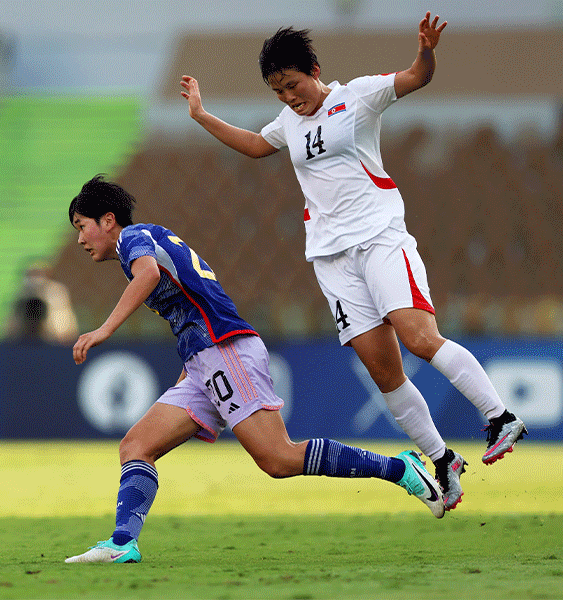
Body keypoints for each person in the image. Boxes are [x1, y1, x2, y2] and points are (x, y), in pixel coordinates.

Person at [179, 12, 526, 512]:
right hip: (331, 259)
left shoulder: (358, 96)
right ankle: (441, 460)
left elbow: (417, 77)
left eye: (293, 85)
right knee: (385, 375)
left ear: (315, 70)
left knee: (419, 338)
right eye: (278, 91)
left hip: (380, 238)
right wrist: (202, 115)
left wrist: (426, 50)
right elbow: (257, 146)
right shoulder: (288, 123)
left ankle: (499, 416)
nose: (288, 97)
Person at [63, 175, 445, 565]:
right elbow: (191, 302)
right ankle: (123, 542)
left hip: (226, 351)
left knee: (278, 459)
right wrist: (191, 369)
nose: (80, 239)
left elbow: (150, 276)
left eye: (82, 226)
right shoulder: (151, 240)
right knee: (136, 446)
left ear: (108, 220)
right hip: (203, 361)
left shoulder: (134, 239)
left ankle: (400, 468)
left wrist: (103, 330)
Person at [4, 258, 79, 344]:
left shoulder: (57, 293)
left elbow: (66, 332)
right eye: (32, 274)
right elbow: (9, 332)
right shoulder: (20, 295)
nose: (35, 279)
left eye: (39, 274)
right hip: (24, 346)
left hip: (52, 346)